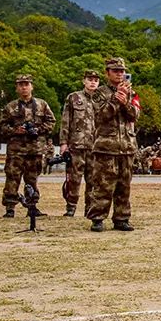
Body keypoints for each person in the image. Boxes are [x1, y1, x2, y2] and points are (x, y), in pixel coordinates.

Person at [87, 58, 139, 232]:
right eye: (115, 70)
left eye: (121, 71)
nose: (119, 74)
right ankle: (97, 218)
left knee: (124, 186)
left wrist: (125, 103)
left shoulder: (131, 92)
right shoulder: (99, 93)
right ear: (107, 73)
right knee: (103, 185)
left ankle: (122, 218)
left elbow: (135, 115)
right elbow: (99, 116)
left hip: (126, 146)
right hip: (106, 146)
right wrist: (116, 100)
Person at [0, 75, 55, 218]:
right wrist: (15, 130)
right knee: (12, 178)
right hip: (16, 150)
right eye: (21, 85)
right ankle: (10, 208)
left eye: (27, 84)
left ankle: (32, 207)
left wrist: (39, 129)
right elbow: (1, 126)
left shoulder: (42, 105)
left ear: (32, 86)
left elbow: (51, 122)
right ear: (17, 88)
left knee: (32, 179)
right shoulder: (10, 107)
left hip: (35, 149)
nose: (24, 87)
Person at [59, 70, 100, 217]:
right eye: (90, 79)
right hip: (76, 145)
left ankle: (90, 208)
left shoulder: (102, 99)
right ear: (84, 81)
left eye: (95, 80)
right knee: (74, 179)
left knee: (93, 180)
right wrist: (63, 142)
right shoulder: (74, 97)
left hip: (96, 147)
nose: (92, 82)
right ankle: (71, 207)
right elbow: (65, 120)